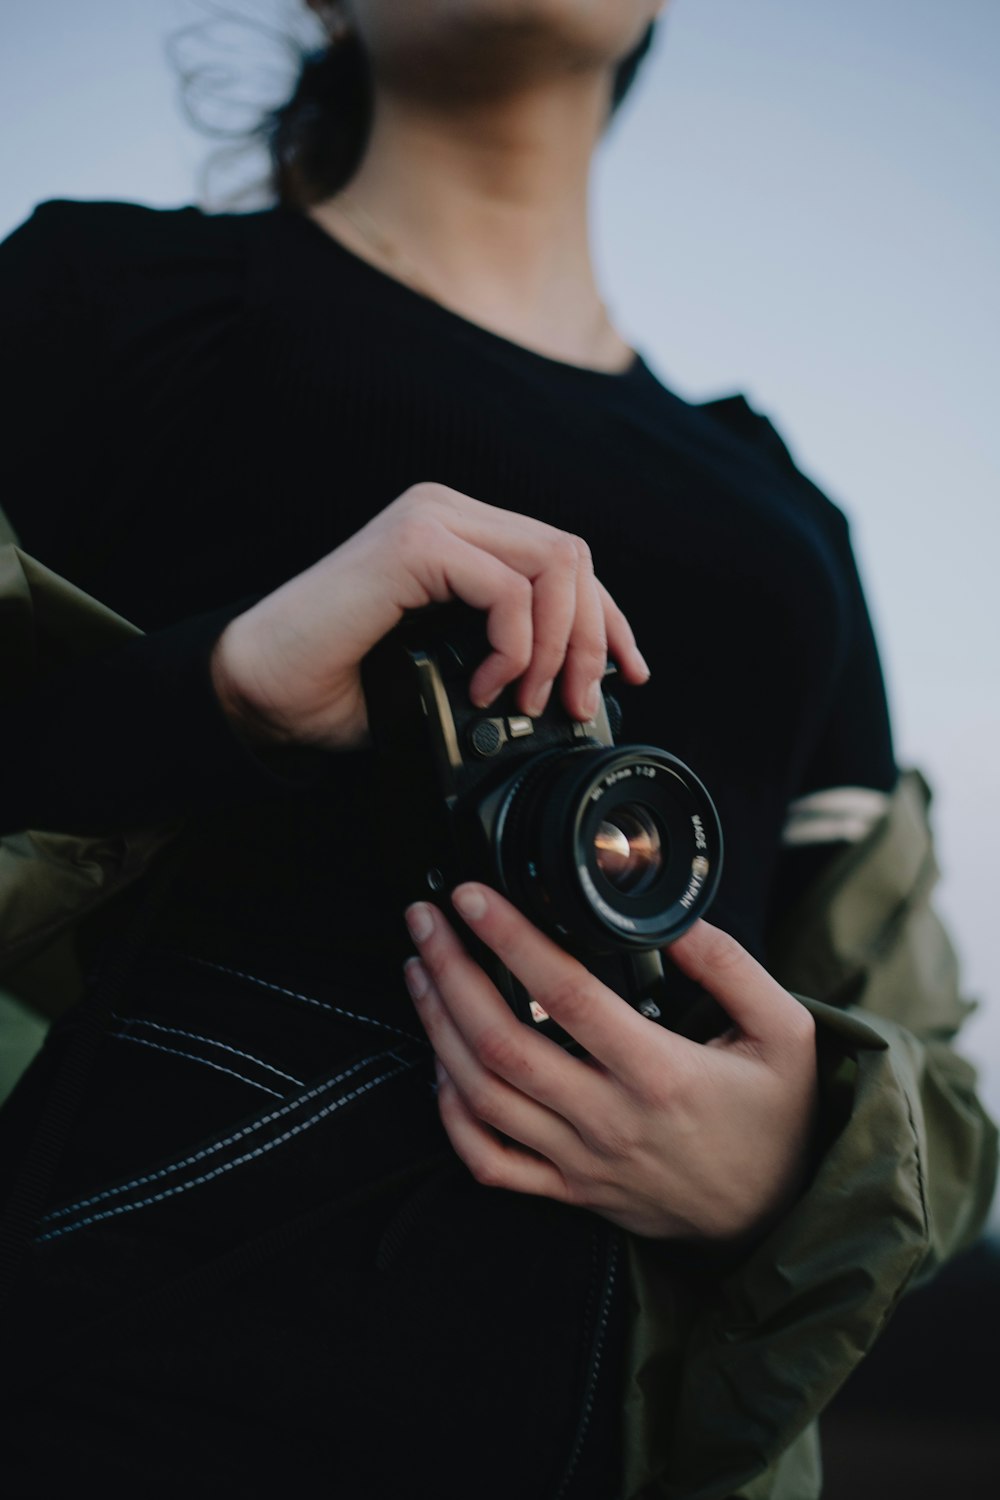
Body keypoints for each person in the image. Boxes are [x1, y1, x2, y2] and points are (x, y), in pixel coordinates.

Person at [0, 2, 994, 1495]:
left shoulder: (790, 520)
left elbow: (925, 1074)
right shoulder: (103, 296)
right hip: (116, 1399)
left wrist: (784, 1170)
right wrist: (214, 692)